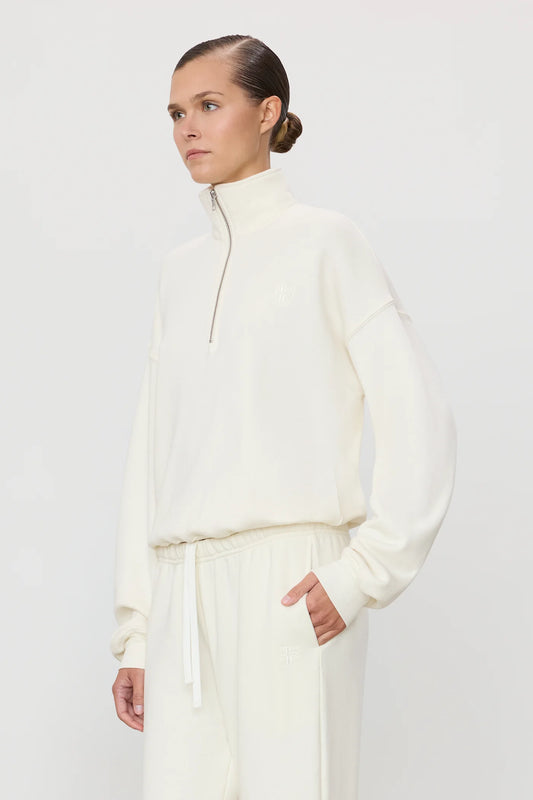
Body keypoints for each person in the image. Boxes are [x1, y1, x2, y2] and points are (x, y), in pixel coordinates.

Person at [110, 34, 457, 800]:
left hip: (289, 581)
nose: (187, 129)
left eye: (208, 105)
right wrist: (137, 630)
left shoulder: (327, 244)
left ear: (268, 112)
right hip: (182, 595)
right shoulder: (178, 273)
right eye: (175, 113)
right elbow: (153, 451)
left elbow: (418, 415)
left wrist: (363, 572)